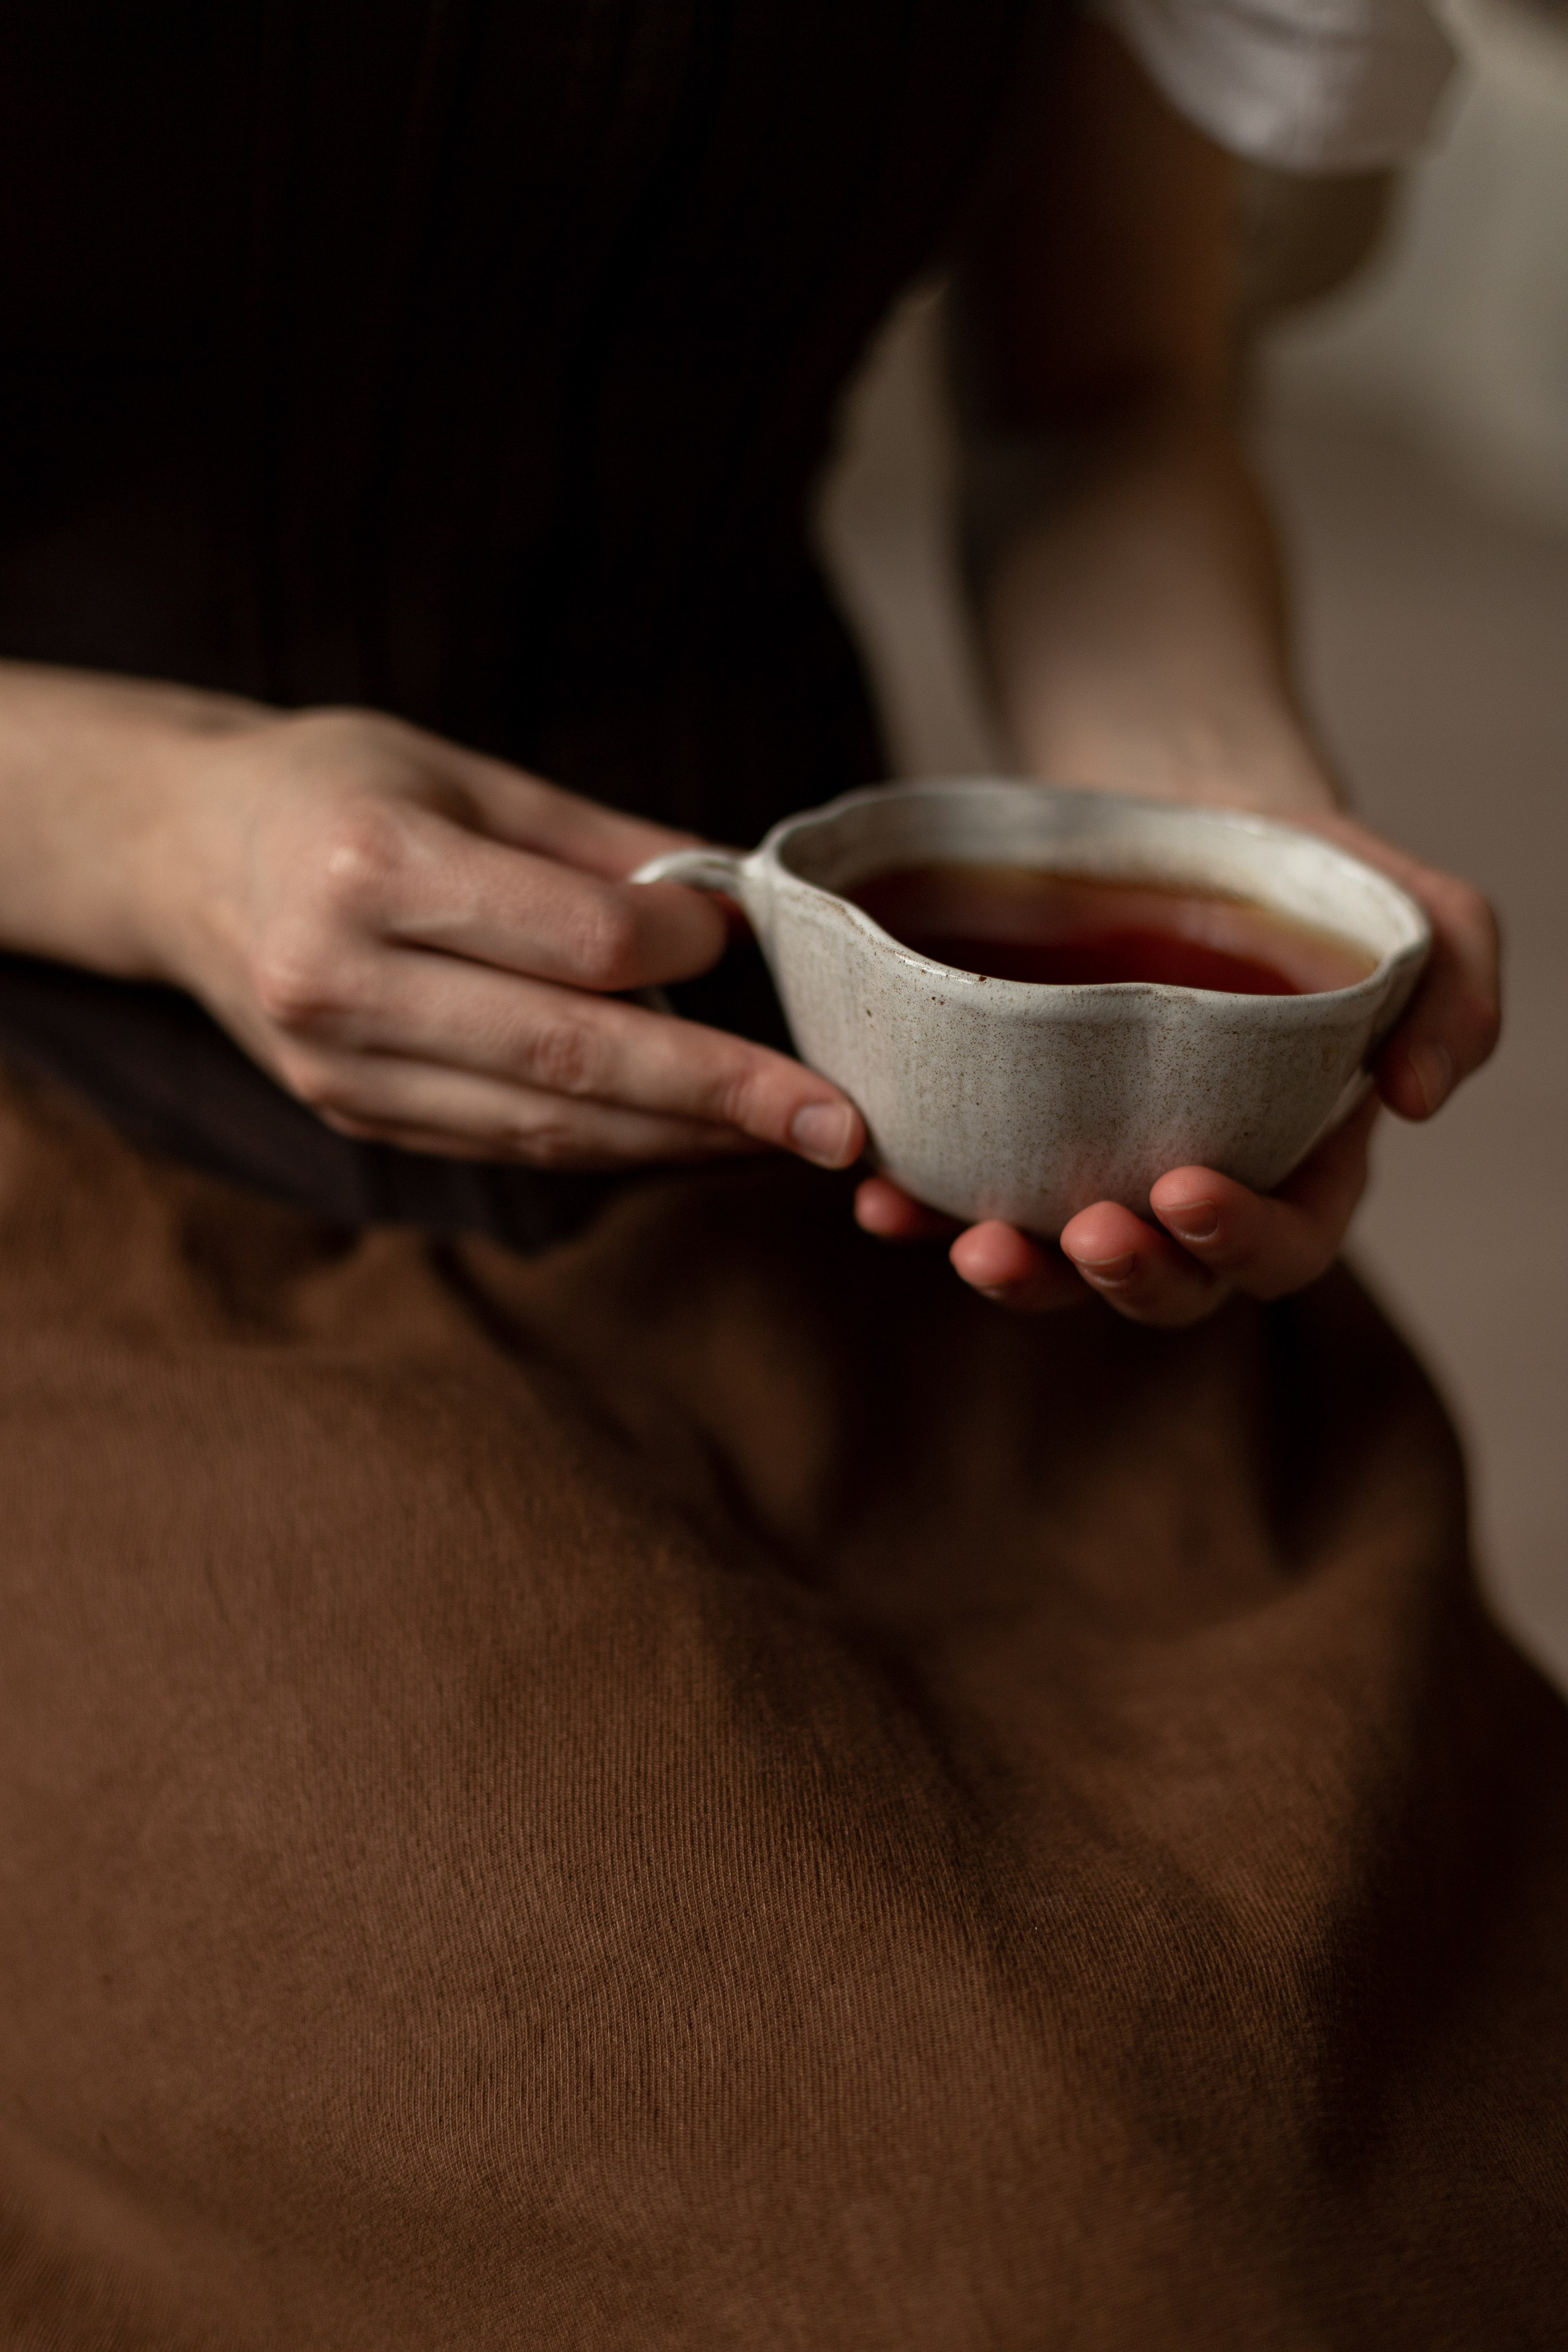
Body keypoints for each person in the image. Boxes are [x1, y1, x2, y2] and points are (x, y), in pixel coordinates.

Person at [0, 3, 1559, 2344]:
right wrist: (145, 834)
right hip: (70, 1087)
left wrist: (1221, 847)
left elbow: (1100, 395)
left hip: (848, 1112)